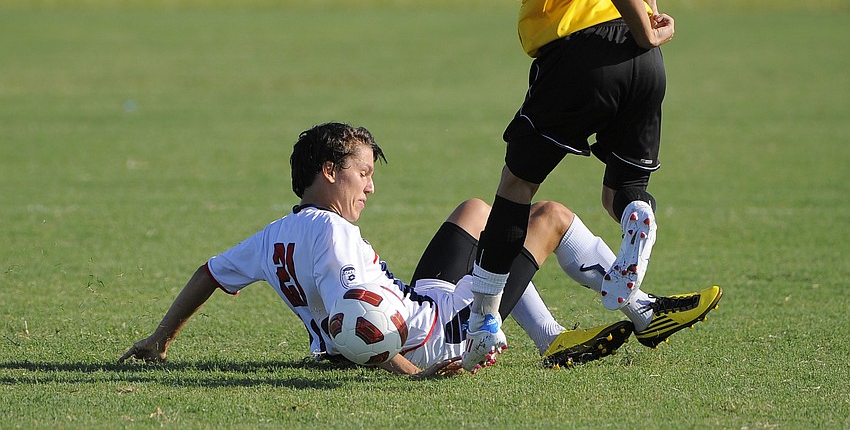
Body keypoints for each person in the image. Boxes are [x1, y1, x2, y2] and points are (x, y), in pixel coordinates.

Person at [413, 0, 723, 370]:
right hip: (643, 63)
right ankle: (638, 276)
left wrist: (644, 27)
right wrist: (645, 15)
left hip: (584, 59)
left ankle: (485, 319)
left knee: (515, 187)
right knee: (622, 191)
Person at [118, 122, 718, 375]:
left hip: (418, 304)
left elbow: (209, 272)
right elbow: (366, 325)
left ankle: (558, 337)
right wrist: (413, 376)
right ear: (329, 173)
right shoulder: (334, 234)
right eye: (362, 174)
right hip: (441, 335)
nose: (371, 187)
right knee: (552, 217)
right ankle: (639, 309)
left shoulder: (276, 233)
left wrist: (159, 339)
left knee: (478, 213)